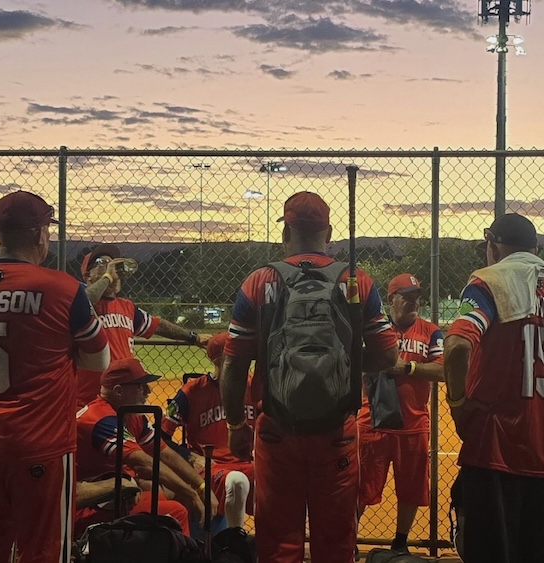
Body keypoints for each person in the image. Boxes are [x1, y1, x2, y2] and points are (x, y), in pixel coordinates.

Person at [220, 191, 399, 563]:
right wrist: (344, 363)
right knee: (335, 541)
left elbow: (234, 365)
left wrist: (236, 424)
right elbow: (387, 355)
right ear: (329, 232)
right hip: (336, 431)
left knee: (277, 540)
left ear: (286, 232)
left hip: (276, 430)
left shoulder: (259, 280)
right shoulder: (355, 279)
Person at [0, 190, 111, 563]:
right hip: (41, 443)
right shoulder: (62, 288)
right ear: (39, 234)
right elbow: (98, 359)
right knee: (43, 550)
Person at [443, 213, 544, 562]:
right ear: (535, 250)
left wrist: (458, 405)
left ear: (493, 247)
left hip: (494, 451)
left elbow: (457, 346)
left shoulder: (489, 284)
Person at [357, 273, 444, 553]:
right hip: (372, 422)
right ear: (391, 299)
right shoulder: (374, 331)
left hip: (413, 423)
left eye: (416, 297)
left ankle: (400, 543)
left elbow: (444, 370)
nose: (413, 302)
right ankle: (348, 540)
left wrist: (409, 368)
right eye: (406, 297)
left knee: (411, 488)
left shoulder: (431, 331)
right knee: (360, 487)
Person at [74, 357, 204, 538]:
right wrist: (191, 494)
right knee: (176, 512)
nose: (148, 391)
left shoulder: (130, 413)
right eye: (140, 386)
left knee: (176, 493)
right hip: (90, 505)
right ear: (119, 391)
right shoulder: (99, 419)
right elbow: (144, 463)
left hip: (118, 497)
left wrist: (200, 486)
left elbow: (164, 453)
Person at [77, 243, 208, 407]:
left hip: (125, 399)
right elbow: (82, 303)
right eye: (102, 262)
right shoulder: (81, 303)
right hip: (90, 402)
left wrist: (193, 337)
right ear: (88, 276)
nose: (112, 267)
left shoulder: (127, 307)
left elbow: (158, 325)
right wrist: (108, 277)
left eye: (113, 263)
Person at [162, 332, 257, 529]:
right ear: (221, 360)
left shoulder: (254, 386)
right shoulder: (191, 392)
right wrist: (189, 456)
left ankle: (269, 542)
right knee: (237, 482)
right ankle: (235, 540)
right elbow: (161, 436)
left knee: (282, 481)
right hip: (211, 468)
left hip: (248, 463)